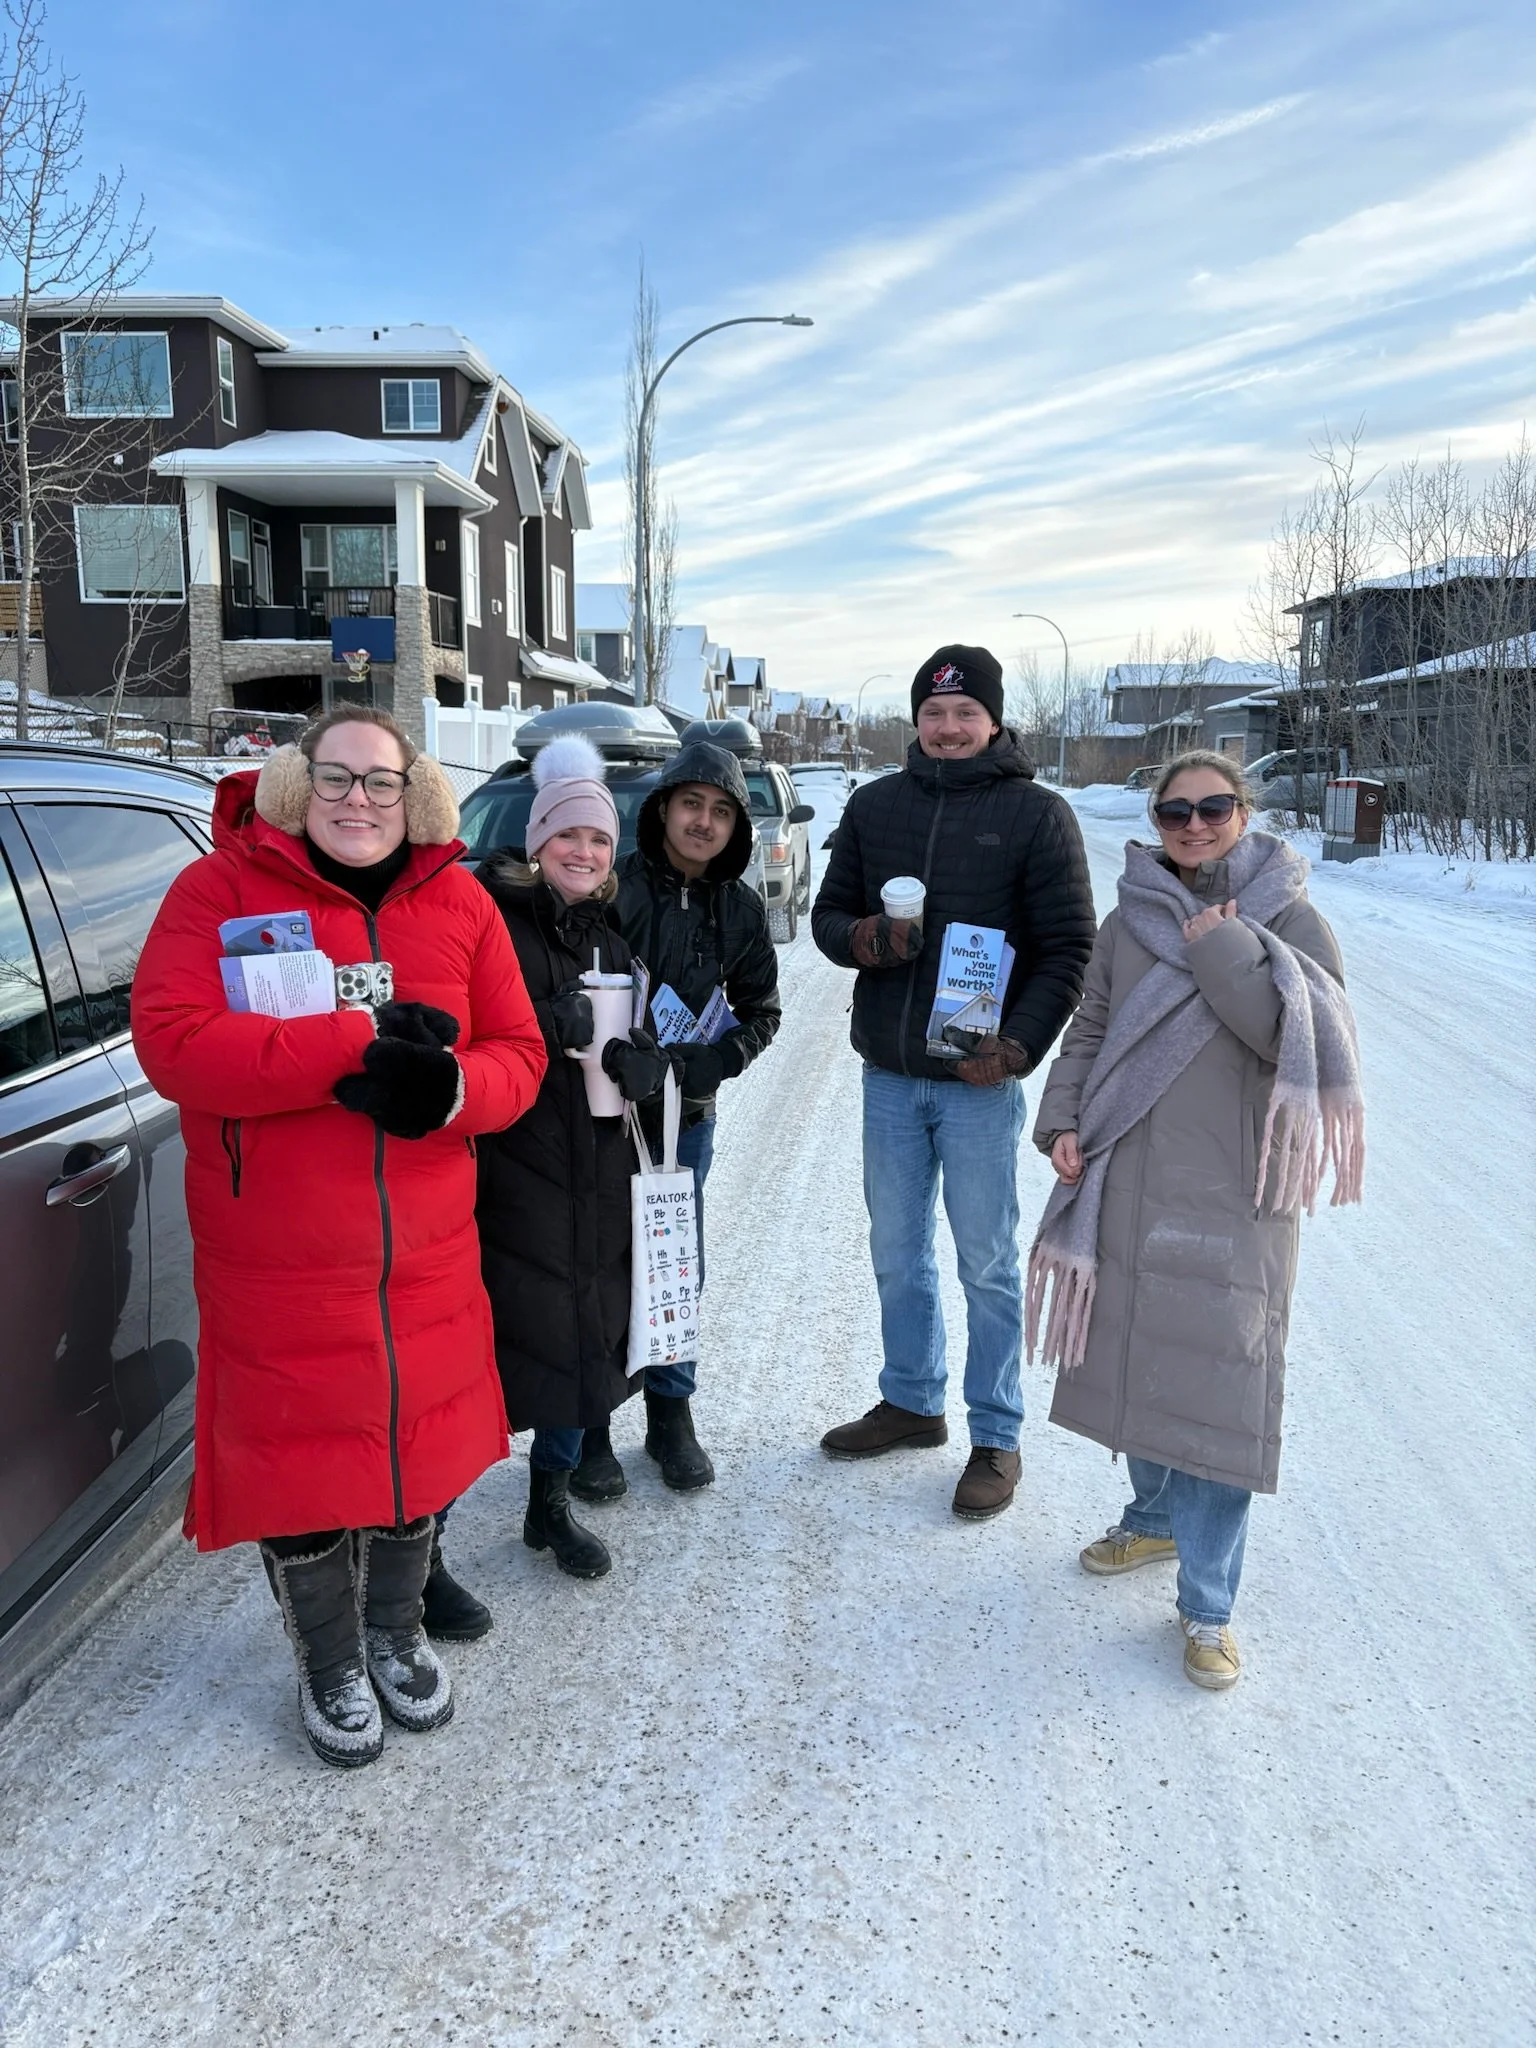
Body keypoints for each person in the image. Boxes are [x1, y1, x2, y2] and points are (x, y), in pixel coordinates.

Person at [132, 705, 546, 1766]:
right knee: (299, 1461)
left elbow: (521, 1053)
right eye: (336, 776)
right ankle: (328, 1657)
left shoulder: (458, 900)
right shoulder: (218, 889)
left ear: (415, 793)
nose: (357, 799)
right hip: (274, 1246)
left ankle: (395, 1631)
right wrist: (350, 1042)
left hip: (424, 1244)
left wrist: (449, 1085)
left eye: (381, 780)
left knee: (416, 1445)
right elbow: (174, 1042)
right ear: (291, 782)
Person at [1028, 749, 1363, 1690]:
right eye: (1176, 812)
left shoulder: (1292, 917)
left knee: (1219, 1392)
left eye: (1214, 808)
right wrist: (1062, 1118)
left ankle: (1210, 1609)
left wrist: (1222, 944)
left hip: (1234, 1190)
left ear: (1245, 811)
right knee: (1135, 1358)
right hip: (1129, 1171)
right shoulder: (1126, 919)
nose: (1195, 826)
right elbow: (1092, 1025)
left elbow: (1291, 1037)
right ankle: (1153, 1520)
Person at [812, 643, 1096, 1519]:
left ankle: (997, 1435)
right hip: (892, 1076)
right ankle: (911, 1400)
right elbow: (827, 916)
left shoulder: (1037, 816)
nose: (947, 726)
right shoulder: (874, 806)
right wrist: (868, 940)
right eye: (933, 713)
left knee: (986, 1264)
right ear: (918, 721)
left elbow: (1068, 950)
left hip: (978, 1084)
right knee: (896, 1253)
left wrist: (1015, 1048)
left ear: (993, 722)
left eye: (964, 713)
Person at [475, 735, 668, 1579]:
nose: (583, 852)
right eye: (567, 836)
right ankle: (428, 1541)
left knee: (583, 1344)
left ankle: (547, 1507)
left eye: (597, 839)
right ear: (536, 842)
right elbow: (475, 1034)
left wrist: (645, 1066)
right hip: (515, 1173)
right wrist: (548, 1024)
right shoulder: (492, 926)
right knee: (496, 1355)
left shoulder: (611, 940)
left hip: (598, 1171)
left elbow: (643, 1038)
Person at [604, 740, 781, 1494]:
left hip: (686, 1118)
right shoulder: (613, 887)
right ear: (664, 808)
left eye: (719, 811)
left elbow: (762, 1012)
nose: (703, 822)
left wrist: (711, 1062)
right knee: (597, 1263)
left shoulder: (739, 907)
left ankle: (671, 1415)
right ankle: (585, 1427)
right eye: (691, 804)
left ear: (734, 825)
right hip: (600, 1111)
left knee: (673, 1260)